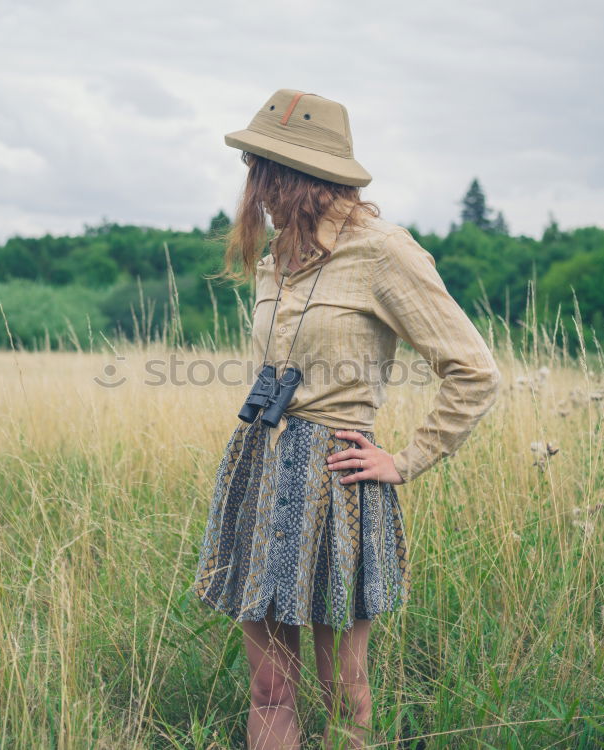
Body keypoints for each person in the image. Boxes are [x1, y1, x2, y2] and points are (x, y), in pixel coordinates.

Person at [192, 89, 502, 749]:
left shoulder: (384, 252)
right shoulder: (279, 255)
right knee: (270, 688)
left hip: (337, 480)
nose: (255, 185)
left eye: (264, 168)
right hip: (261, 465)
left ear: (303, 174)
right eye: (254, 165)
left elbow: (474, 370)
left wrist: (407, 459)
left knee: (342, 692)